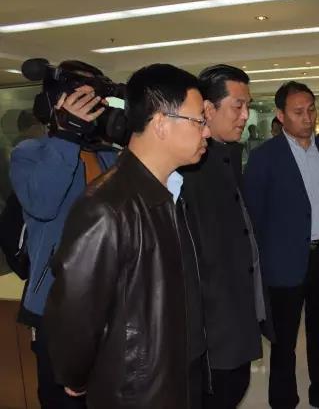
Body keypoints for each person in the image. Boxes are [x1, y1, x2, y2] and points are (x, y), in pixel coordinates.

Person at [43, 64, 211, 409]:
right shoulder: (107, 206)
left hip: (176, 375)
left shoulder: (169, 192)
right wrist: (75, 376)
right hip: (136, 390)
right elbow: (76, 312)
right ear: (161, 123)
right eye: (199, 121)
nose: (207, 131)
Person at [9, 60, 119, 409]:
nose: (90, 107)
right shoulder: (30, 154)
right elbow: (42, 204)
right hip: (56, 306)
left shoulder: (109, 158)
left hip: (109, 302)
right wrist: (67, 136)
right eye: (80, 98)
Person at [244, 81, 319, 409]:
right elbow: (254, 217)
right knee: (284, 340)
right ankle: (283, 400)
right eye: (298, 112)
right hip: (284, 262)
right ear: (280, 115)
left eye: (311, 110)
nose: (307, 117)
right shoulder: (264, 158)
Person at [181, 64, 273, 409]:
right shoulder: (187, 171)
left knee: (235, 386)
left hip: (238, 311)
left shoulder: (228, 156)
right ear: (208, 109)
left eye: (247, 105)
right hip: (213, 326)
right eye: (238, 106)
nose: (245, 116)